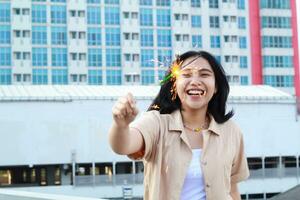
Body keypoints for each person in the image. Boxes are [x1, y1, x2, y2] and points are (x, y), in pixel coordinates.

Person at [109, 50, 249, 200]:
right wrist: (121, 125)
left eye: (204, 74)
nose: (195, 81)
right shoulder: (156, 123)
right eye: (186, 74)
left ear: (215, 87)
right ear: (174, 85)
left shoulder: (231, 131)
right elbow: (123, 146)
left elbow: (232, 188)